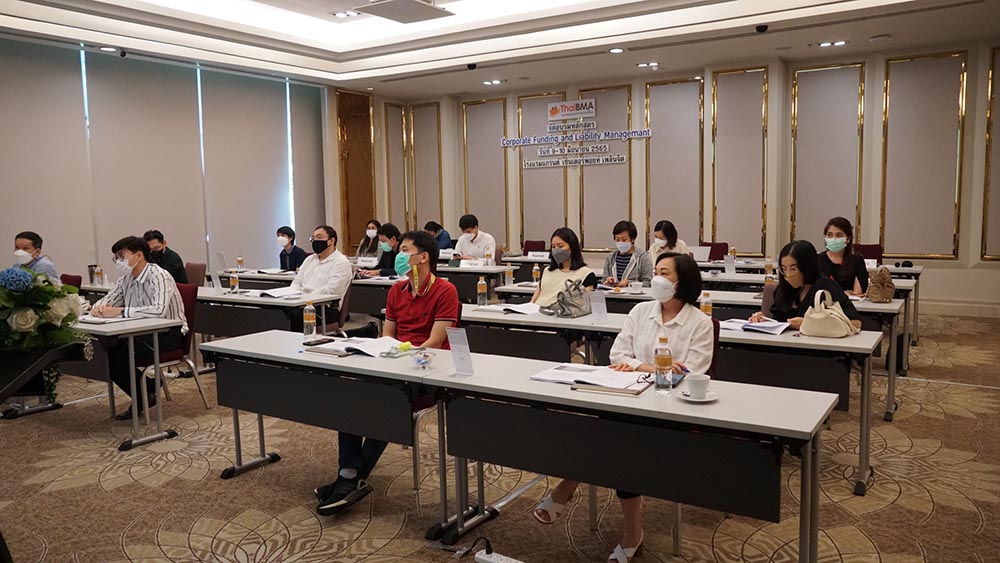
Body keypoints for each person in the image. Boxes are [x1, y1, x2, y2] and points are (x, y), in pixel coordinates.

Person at [533, 252, 714, 563]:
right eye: (655, 271)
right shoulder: (640, 311)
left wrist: (640, 365)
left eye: (665, 273)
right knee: (614, 433)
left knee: (619, 438)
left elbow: (692, 370)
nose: (657, 278)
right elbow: (617, 356)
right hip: (628, 397)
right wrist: (655, 367)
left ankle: (571, 485)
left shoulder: (700, 322)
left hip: (670, 408)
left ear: (682, 281)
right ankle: (632, 533)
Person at [315, 230, 460, 515]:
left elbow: (434, 342)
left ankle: (349, 477)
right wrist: (384, 354)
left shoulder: (445, 291)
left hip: (428, 370)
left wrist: (401, 356)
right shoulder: (397, 290)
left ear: (424, 257)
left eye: (405, 250)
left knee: (387, 404)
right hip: (395, 364)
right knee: (351, 396)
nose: (399, 256)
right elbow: (388, 335)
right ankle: (350, 476)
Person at [90, 236, 187, 419]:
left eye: (122, 256)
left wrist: (121, 311)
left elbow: (158, 310)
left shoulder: (159, 276)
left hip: (167, 335)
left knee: (119, 358)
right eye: (116, 257)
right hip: (138, 333)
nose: (118, 261)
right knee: (106, 352)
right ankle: (148, 388)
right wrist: (98, 309)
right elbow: (107, 300)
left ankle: (144, 394)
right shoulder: (126, 278)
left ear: (139, 255)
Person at [750, 239, 861, 331]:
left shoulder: (825, 286)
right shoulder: (784, 288)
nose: (788, 275)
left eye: (793, 269)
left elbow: (855, 323)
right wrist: (764, 319)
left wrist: (811, 324)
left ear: (807, 267)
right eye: (784, 269)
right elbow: (778, 320)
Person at [531, 227, 597, 306]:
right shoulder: (547, 270)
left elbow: (584, 304)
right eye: (553, 247)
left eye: (560, 246)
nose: (556, 250)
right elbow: (534, 299)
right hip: (537, 310)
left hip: (562, 312)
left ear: (572, 247)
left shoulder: (586, 274)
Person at [290, 226, 352, 298]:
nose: (315, 241)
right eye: (313, 238)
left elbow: (332, 289)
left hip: (324, 302)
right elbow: (297, 282)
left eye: (319, 237)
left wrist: (307, 296)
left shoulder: (341, 262)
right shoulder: (309, 259)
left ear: (331, 241)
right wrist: (294, 294)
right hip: (301, 299)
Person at [817, 217, 868, 296]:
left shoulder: (857, 260)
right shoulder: (818, 260)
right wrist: (842, 294)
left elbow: (857, 293)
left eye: (839, 235)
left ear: (848, 239)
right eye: (829, 235)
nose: (833, 239)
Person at [602, 220, 653, 287]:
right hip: (613, 293)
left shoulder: (643, 257)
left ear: (632, 239)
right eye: (617, 239)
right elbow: (603, 280)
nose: (620, 242)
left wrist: (629, 283)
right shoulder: (610, 258)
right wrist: (607, 282)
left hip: (633, 293)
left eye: (624, 240)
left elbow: (648, 282)